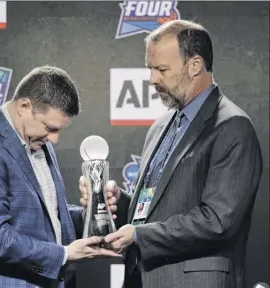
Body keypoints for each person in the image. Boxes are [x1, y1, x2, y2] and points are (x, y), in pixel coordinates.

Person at [80, 20, 263, 288]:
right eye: (150, 69)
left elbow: (218, 221)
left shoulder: (232, 126)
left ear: (195, 66)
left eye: (161, 69)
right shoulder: (160, 127)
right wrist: (117, 203)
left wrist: (140, 235)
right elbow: (153, 210)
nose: (152, 79)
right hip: (143, 278)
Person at [0, 65, 120, 288]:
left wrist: (91, 215)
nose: (55, 139)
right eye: (50, 128)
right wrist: (63, 254)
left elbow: (46, 214)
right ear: (24, 106)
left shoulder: (36, 138)